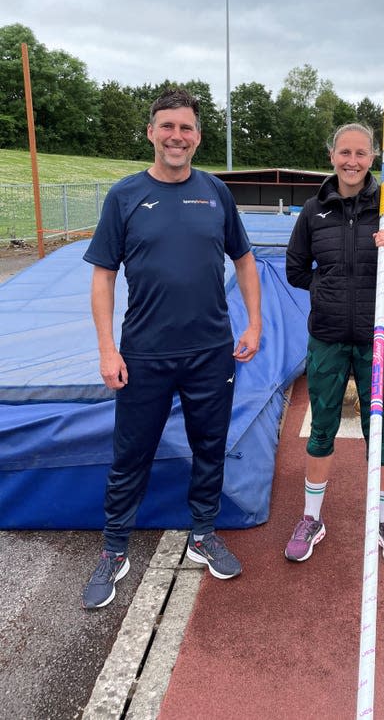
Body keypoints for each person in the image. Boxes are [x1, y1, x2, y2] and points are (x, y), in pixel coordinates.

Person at [81, 88, 261, 609]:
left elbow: (244, 259)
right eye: (167, 127)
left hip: (211, 351)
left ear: (198, 137)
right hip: (144, 354)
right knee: (130, 454)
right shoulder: (125, 196)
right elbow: (103, 277)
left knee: (210, 447)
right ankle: (116, 548)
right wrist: (106, 349)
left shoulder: (216, 193)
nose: (176, 136)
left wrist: (255, 324)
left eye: (186, 128)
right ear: (151, 133)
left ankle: (202, 532)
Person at [284, 123, 384, 565]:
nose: (352, 161)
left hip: (378, 341)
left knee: (377, 431)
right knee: (322, 429)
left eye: (361, 153)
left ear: (373, 158)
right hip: (327, 339)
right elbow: (295, 270)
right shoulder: (314, 210)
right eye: (344, 152)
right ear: (331, 155)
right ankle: (312, 518)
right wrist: (328, 293)